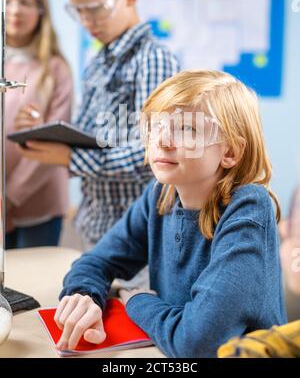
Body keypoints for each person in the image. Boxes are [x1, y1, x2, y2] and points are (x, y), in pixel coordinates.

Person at [52, 70, 286, 358]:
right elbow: (97, 261)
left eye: (188, 130)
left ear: (231, 152)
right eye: (156, 126)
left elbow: (197, 343)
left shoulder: (249, 208)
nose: (162, 141)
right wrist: (84, 295)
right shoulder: (161, 194)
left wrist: (137, 300)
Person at [19, 0, 179, 250]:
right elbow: (90, 136)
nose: (87, 21)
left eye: (96, 9)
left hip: (137, 235)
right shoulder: (97, 64)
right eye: (78, 11)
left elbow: (153, 152)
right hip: (95, 226)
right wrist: (49, 134)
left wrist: (71, 158)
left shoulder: (153, 58)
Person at [0, 0, 73, 249]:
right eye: (7, 1)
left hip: (40, 203)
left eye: (26, 1)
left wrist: (9, 197)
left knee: (33, 285)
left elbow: (52, 141)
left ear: (41, 9)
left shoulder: (55, 69)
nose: (15, 10)